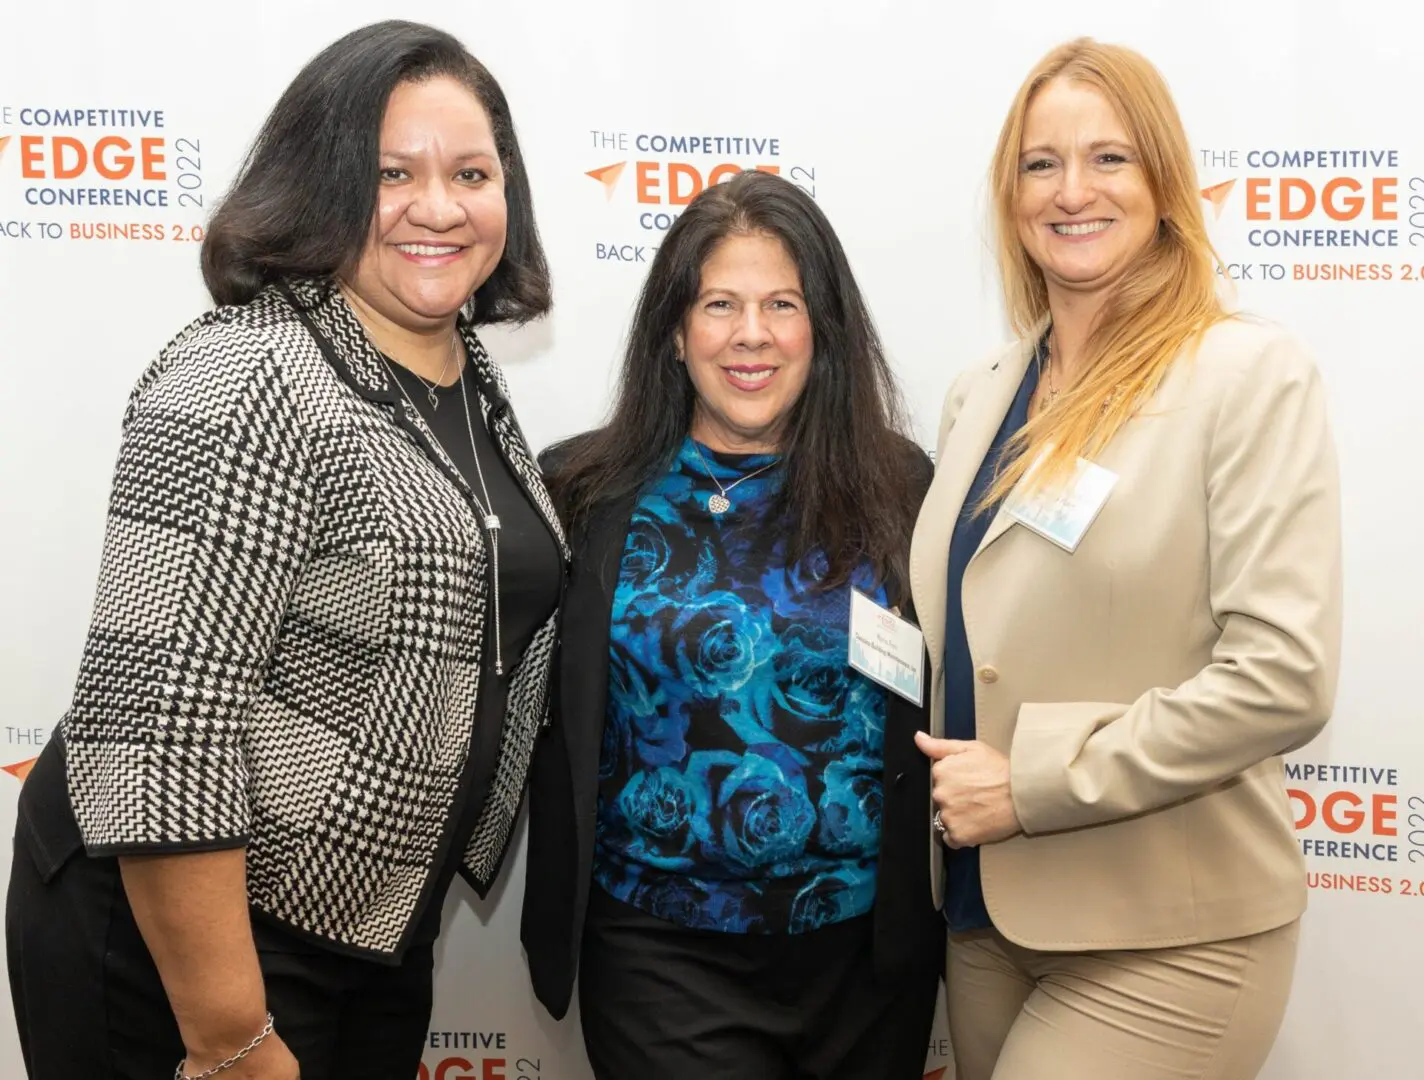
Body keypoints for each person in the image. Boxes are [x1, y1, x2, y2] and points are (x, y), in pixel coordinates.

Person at [6, 20, 564, 1080]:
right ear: (324, 181)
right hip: (192, 940)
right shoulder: (248, 374)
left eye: (472, 172)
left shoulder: (464, 383)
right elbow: (161, 731)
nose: (439, 207)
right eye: (392, 172)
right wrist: (228, 1038)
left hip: (366, 926)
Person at [909, 38, 1342, 1080]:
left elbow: (1281, 675)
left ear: (1162, 181)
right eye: (1039, 162)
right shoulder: (983, 389)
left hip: (1170, 932)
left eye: (1108, 159)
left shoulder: (1243, 374)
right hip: (981, 918)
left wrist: (1033, 785)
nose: (1071, 191)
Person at [522, 170, 944, 1078]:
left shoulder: (904, 489)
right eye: (720, 304)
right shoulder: (583, 492)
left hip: (865, 959)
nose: (750, 334)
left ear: (822, 332)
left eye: (781, 304)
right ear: (675, 332)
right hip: (660, 952)